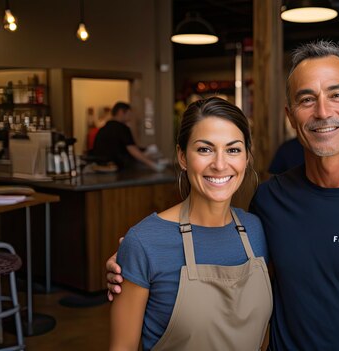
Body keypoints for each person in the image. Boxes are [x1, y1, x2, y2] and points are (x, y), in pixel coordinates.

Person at [107, 40, 339, 350]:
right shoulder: (270, 201)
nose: (323, 112)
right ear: (291, 116)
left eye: (336, 95)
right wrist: (138, 260)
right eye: (307, 99)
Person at [109, 97, 272, 350]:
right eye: (205, 149)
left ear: (247, 157)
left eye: (233, 149)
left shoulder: (257, 230)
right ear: (182, 156)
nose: (220, 164)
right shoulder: (144, 242)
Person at [91, 102, 163, 171]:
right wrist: (153, 165)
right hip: (116, 167)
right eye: (129, 113)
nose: (131, 116)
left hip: (99, 166)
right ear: (121, 112)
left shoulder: (103, 129)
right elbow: (133, 150)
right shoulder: (122, 128)